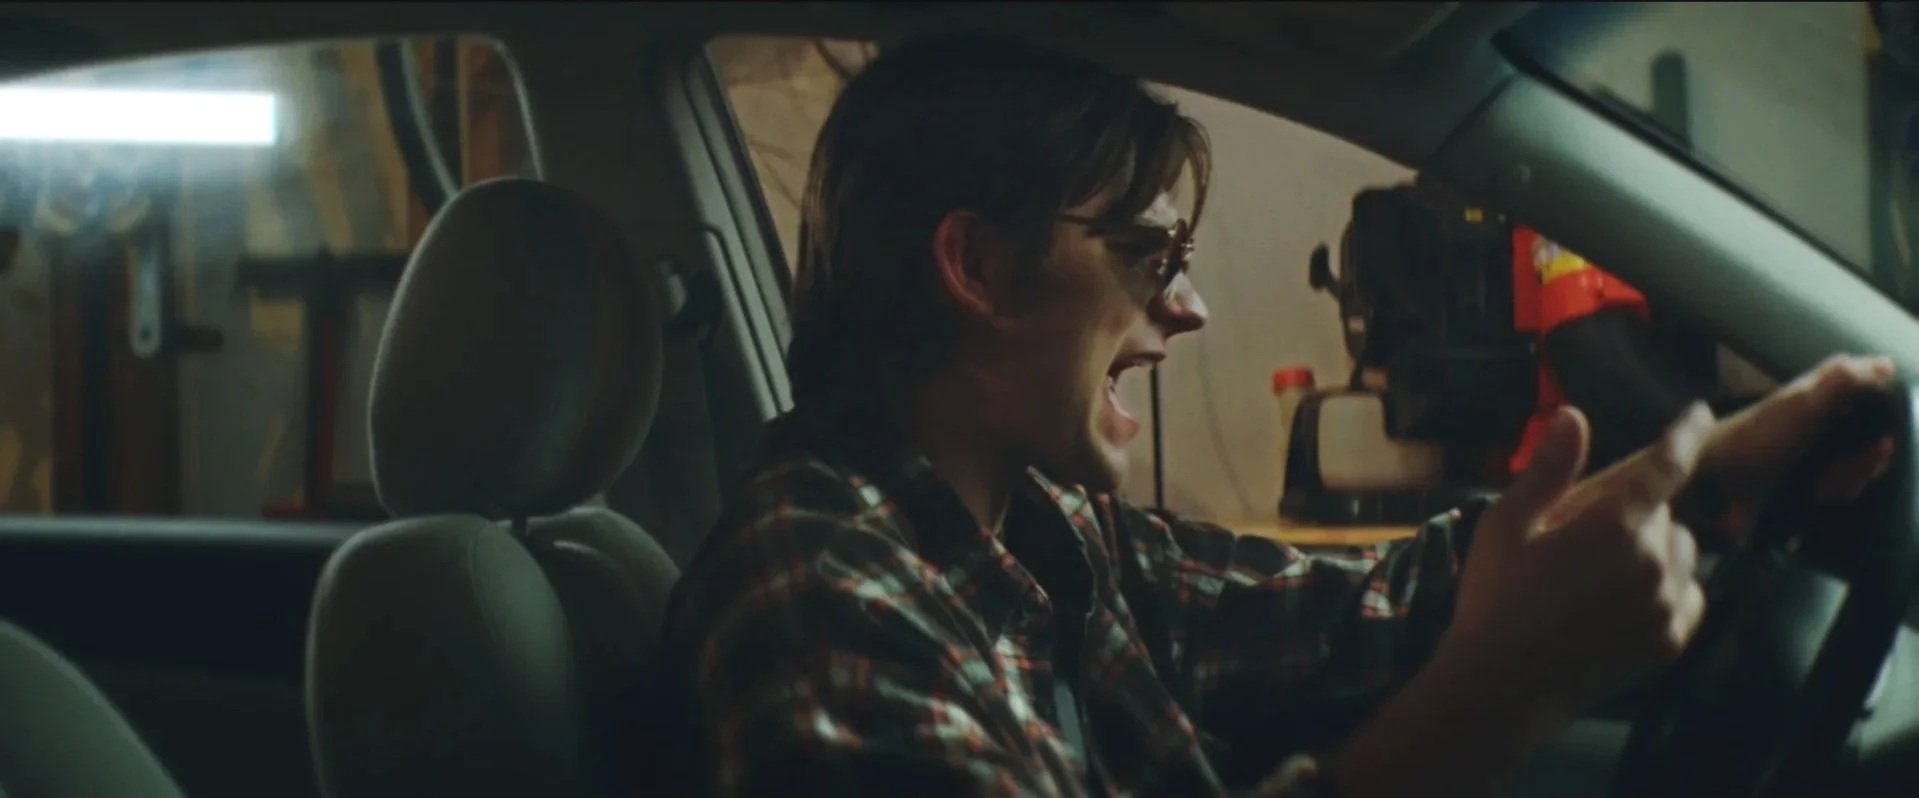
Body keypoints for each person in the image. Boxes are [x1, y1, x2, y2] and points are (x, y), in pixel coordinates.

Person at [654, 33, 1899, 797]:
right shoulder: (824, 607)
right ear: (975, 267)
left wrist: (1717, 472)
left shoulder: (1033, 534)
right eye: (1148, 252)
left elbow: (1359, 612)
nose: (1187, 309)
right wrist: (1503, 694)